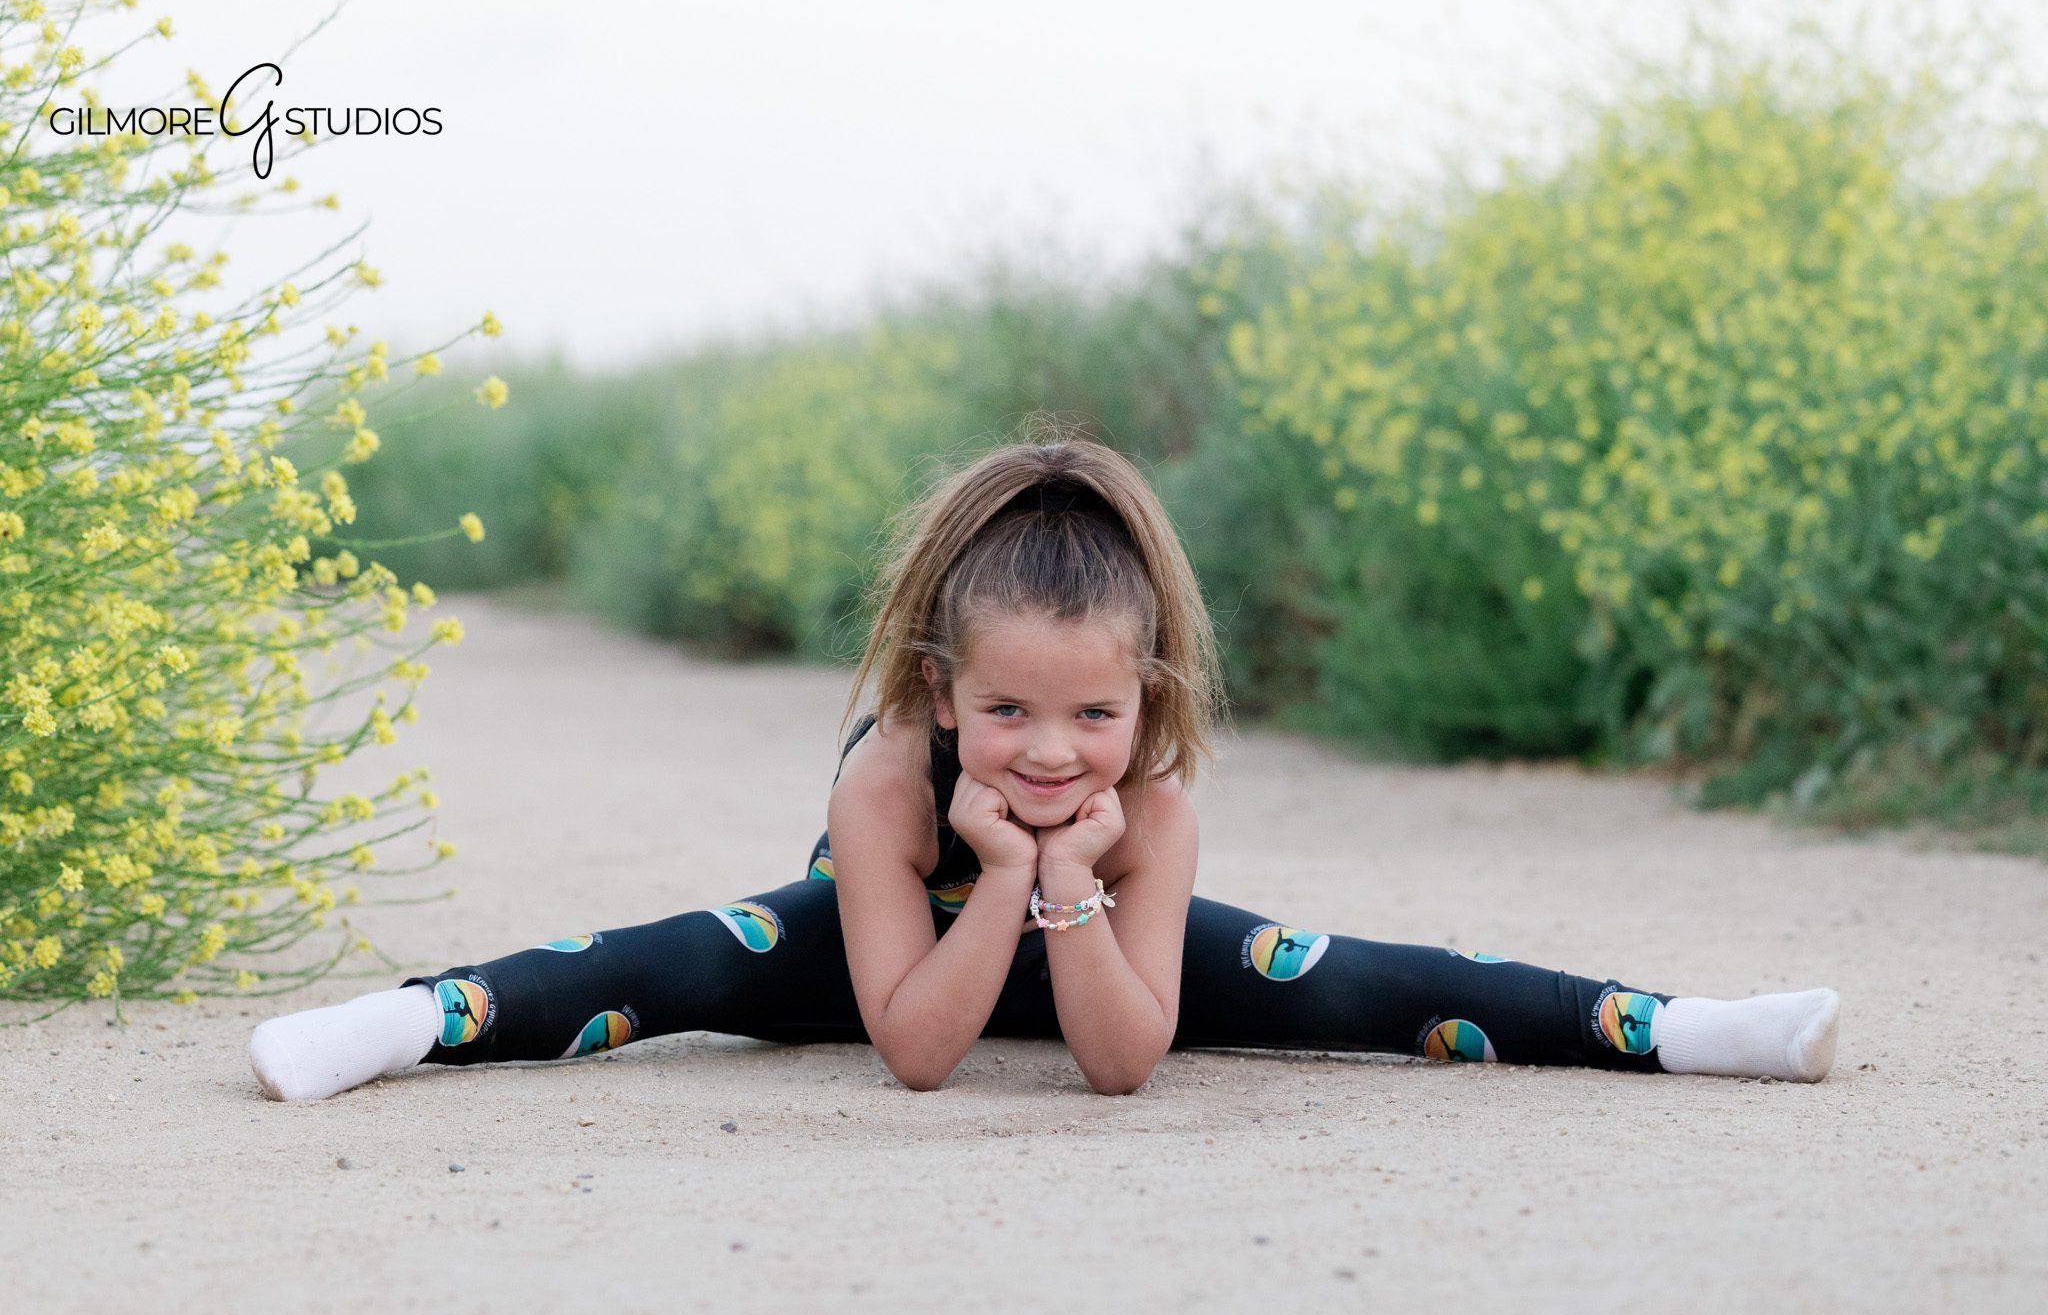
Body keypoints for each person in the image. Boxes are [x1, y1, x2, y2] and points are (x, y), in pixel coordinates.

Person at [248, 435, 1840, 1102]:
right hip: (882, 959)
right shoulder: (883, 783)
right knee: (653, 965)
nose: (1052, 752)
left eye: (1093, 720)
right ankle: (405, 1023)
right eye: (1006, 713)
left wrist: (1072, 878)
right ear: (942, 688)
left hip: (1092, 949)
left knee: (1370, 984)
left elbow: (1125, 1063)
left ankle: (1688, 1029)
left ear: (1146, 705)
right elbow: (921, 1054)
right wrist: (997, 867)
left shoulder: (1151, 812)